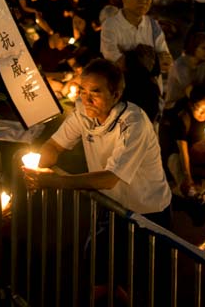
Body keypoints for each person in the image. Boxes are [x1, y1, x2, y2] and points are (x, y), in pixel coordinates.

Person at [23, 58, 171, 221]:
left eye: (95, 92)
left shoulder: (133, 123)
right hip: (111, 205)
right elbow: (54, 145)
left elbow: (109, 178)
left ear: (116, 95)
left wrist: (56, 181)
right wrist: (37, 170)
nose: (87, 100)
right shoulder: (83, 111)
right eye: (83, 91)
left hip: (146, 212)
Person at [163, 85, 205, 201]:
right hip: (186, 161)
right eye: (198, 108)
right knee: (174, 160)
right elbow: (182, 151)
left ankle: (203, 186)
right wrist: (187, 176)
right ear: (191, 105)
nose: (203, 113)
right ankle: (189, 189)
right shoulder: (184, 119)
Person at [100, 0, 173, 78]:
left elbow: (166, 63)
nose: (143, 0)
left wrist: (131, 60)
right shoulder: (110, 26)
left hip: (152, 91)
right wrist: (155, 62)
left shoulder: (153, 25)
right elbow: (117, 64)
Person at [163, 32, 205, 117]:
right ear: (194, 48)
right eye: (204, 48)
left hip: (196, 100)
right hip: (177, 105)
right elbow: (189, 90)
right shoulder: (180, 65)